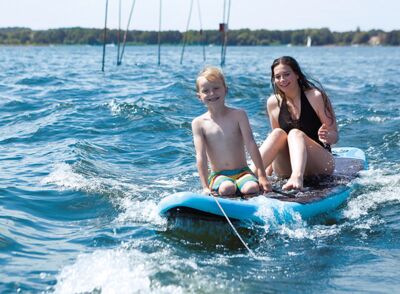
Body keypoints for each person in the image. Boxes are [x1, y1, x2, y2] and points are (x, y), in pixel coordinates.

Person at [256, 56, 338, 191]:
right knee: (277, 133)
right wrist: (267, 172)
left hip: (319, 165)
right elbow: (276, 144)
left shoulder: (315, 97)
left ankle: (297, 177)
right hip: (287, 166)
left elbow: (335, 136)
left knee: (294, 134)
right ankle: (250, 174)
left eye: (287, 74)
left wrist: (328, 136)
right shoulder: (273, 103)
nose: (282, 80)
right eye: (277, 77)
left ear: (297, 75)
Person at [192, 66, 271, 197]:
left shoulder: (239, 115)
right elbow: (201, 156)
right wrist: (205, 187)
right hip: (219, 176)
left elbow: (251, 144)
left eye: (216, 88)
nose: (212, 93)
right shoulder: (199, 123)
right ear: (199, 96)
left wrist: (262, 175)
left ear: (225, 90)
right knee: (227, 188)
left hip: (243, 172)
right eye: (206, 91)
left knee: (251, 187)